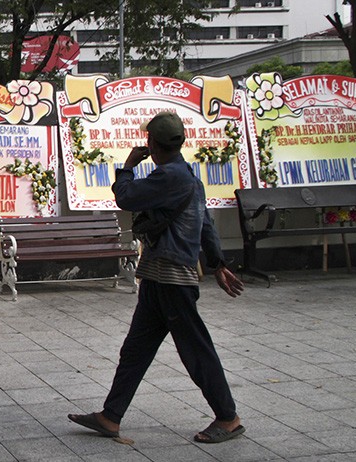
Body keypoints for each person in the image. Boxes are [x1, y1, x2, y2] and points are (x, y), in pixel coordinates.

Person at [68, 111, 246, 444]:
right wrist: (218, 263)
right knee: (135, 350)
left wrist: (128, 165)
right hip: (157, 278)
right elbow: (205, 223)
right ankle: (111, 416)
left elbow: (125, 195)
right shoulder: (188, 177)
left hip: (172, 279)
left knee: (196, 351)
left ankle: (228, 417)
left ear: (151, 142)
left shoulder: (170, 178)